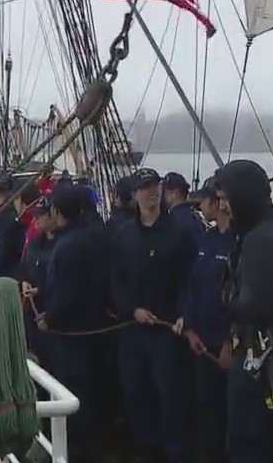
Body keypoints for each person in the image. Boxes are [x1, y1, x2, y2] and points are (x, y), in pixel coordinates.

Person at [215, 159, 273, 463]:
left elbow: (257, 305)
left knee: (249, 438)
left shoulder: (261, 240)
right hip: (266, 349)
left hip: (262, 356)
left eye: (226, 199)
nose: (223, 206)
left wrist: (226, 301)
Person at [108, 168, 194, 463]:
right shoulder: (124, 235)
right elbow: (115, 280)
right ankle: (145, 450)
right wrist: (132, 309)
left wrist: (184, 313)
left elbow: (188, 278)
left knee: (169, 393)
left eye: (155, 185)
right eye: (145, 187)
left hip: (167, 328)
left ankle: (174, 453)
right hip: (133, 326)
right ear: (135, 195)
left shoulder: (179, 233)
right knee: (135, 390)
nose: (152, 191)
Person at [39, 184, 107, 462]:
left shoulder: (67, 246)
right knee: (85, 391)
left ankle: (73, 450)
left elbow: (66, 292)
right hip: (90, 326)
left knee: (70, 391)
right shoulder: (89, 239)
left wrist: (49, 318)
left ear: (57, 211)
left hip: (69, 333)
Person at [174, 177, 233, 462]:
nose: (198, 206)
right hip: (201, 341)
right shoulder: (205, 239)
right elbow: (191, 285)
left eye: (203, 201)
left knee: (231, 413)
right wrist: (189, 326)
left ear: (219, 202)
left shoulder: (238, 242)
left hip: (227, 345)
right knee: (206, 409)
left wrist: (229, 341)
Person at [19, 195, 60, 361]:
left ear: (52, 216)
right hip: (32, 313)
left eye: (39, 215)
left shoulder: (62, 245)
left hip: (52, 315)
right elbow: (24, 268)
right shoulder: (35, 243)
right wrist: (24, 282)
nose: (34, 219)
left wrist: (40, 290)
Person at [163, 171, 205, 245]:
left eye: (165, 192)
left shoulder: (173, 219)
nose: (162, 195)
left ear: (175, 194)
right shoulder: (194, 216)